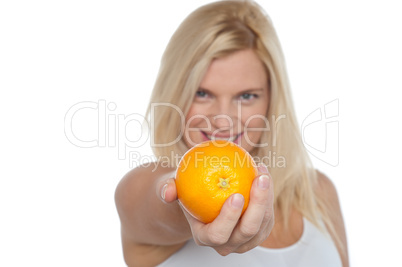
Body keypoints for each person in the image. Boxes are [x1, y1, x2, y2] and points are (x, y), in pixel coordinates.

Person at [115, 0, 349, 266]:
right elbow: (164, 204)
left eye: (246, 96)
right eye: (202, 93)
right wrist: (188, 198)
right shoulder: (138, 189)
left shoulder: (317, 192)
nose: (223, 121)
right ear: (174, 95)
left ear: (272, 100)